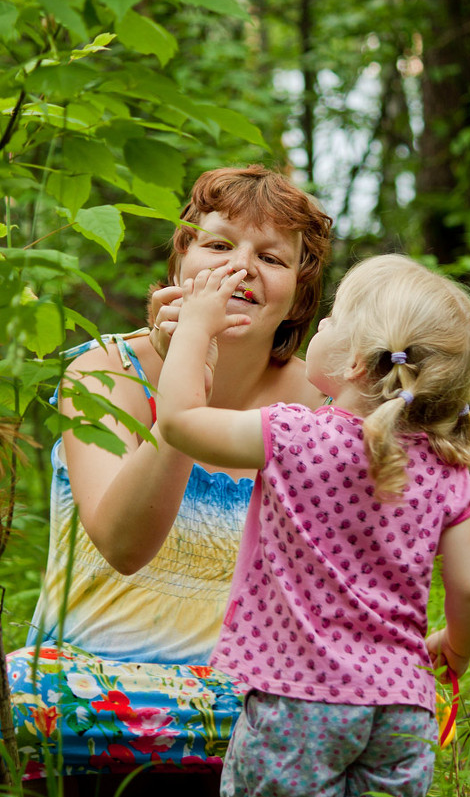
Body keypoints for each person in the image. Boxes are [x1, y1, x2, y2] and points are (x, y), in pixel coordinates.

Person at [6, 164, 333, 791]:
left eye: (271, 257)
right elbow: (125, 546)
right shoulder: (107, 373)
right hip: (84, 706)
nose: (239, 269)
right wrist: (189, 383)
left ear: (298, 291)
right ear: (182, 260)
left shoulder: (320, 407)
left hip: (241, 714)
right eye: (217, 244)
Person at [155, 254, 470, 797]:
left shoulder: (291, 435)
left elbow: (177, 422)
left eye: (332, 317)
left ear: (356, 362)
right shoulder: (445, 472)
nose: (322, 324)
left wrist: (194, 326)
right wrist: (456, 646)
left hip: (297, 698)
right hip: (402, 707)